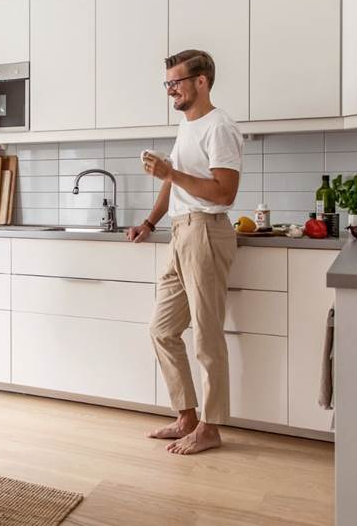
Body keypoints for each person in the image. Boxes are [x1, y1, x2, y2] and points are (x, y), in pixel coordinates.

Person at [127, 49, 242, 455]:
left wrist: (170, 172)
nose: (171, 90)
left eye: (176, 82)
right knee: (162, 329)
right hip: (180, 234)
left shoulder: (219, 127)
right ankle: (187, 416)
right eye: (168, 83)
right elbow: (172, 184)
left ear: (201, 81)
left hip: (206, 233)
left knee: (208, 338)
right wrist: (150, 222)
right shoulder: (187, 125)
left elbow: (225, 193)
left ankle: (211, 427)